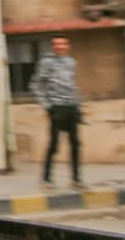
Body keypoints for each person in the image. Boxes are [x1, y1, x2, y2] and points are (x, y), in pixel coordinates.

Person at [29, 36, 85, 190]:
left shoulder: (71, 62)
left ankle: (76, 179)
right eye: (57, 44)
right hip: (56, 108)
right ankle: (46, 179)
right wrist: (47, 106)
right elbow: (35, 85)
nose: (60, 46)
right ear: (53, 46)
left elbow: (72, 86)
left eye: (63, 43)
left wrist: (78, 107)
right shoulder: (46, 62)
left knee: (75, 144)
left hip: (71, 107)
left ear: (68, 45)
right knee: (54, 145)